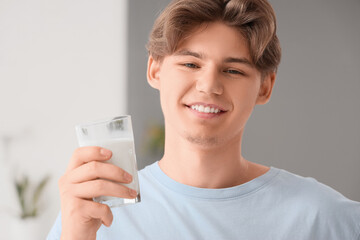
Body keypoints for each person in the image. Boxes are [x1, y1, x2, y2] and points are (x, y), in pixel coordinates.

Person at [47, 0, 360, 239]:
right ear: (155, 70)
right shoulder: (94, 216)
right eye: (190, 64)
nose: (209, 85)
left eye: (233, 70)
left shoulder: (320, 218)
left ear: (265, 87)